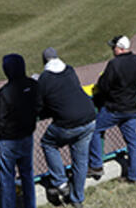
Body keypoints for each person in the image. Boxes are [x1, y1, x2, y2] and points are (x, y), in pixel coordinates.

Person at [36, 47, 96, 207]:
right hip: (89, 117)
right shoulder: (69, 70)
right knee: (80, 160)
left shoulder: (45, 78)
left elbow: (39, 105)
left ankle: (61, 182)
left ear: (44, 62)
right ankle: (77, 199)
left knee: (48, 143)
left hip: (69, 122)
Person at [88, 35, 136, 183]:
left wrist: (102, 79)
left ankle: (96, 165)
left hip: (115, 110)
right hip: (133, 108)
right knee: (132, 142)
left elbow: (103, 86)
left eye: (113, 47)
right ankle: (133, 176)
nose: (112, 49)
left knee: (94, 129)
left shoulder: (114, 64)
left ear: (120, 48)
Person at [0, 54, 38, 208]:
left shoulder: (5, 91)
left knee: (7, 178)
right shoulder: (33, 84)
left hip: (8, 141)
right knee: (27, 175)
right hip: (26, 136)